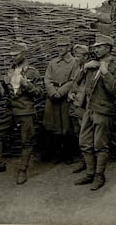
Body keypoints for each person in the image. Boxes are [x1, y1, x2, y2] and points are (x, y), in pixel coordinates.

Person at [74, 33, 116, 190]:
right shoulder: (91, 65)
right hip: (89, 109)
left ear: (108, 48)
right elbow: (76, 84)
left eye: (100, 47)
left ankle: (99, 176)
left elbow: (115, 89)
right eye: (95, 47)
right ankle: (89, 173)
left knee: (100, 145)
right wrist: (83, 69)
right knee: (84, 142)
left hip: (103, 111)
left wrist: (105, 72)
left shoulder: (115, 67)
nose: (96, 49)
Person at [4, 42, 43, 184]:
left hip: (25, 111)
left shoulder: (32, 72)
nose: (13, 58)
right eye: (12, 55)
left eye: (16, 55)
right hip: (10, 111)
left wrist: (27, 85)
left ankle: (23, 170)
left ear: (24, 54)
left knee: (26, 141)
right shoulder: (10, 70)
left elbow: (39, 92)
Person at [43, 36, 76, 164]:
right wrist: (53, 92)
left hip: (65, 97)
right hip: (53, 98)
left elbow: (74, 80)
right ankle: (55, 153)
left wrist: (61, 92)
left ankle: (67, 154)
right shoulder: (52, 63)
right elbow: (47, 79)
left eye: (63, 46)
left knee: (66, 126)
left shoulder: (74, 63)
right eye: (58, 46)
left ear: (69, 47)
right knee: (53, 126)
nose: (60, 48)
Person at [68, 44, 90, 174]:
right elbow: (74, 84)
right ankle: (84, 160)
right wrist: (71, 93)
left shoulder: (90, 69)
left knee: (85, 135)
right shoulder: (77, 69)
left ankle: (89, 163)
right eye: (75, 55)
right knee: (78, 133)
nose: (75, 58)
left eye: (78, 56)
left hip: (85, 107)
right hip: (75, 106)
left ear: (86, 56)